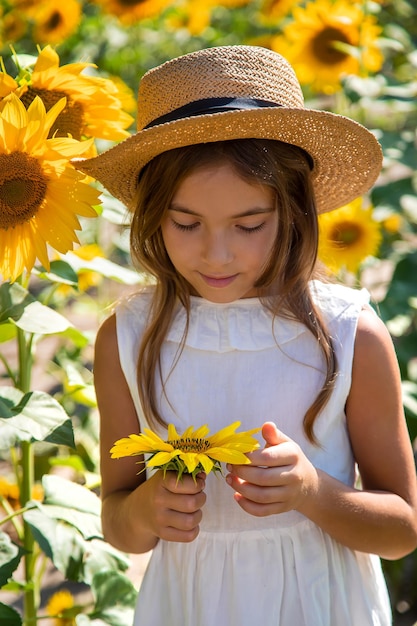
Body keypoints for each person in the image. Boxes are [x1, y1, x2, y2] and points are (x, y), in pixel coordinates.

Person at [75, 45, 417, 626]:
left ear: (294, 212)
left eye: (249, 224)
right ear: (153, 215)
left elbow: (401, 530)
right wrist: (147, 511)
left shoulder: (348, 332)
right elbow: (119, 523)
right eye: (186, 224)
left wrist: (314, 493)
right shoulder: (126, 338)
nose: (218, 253)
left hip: (322, 605)